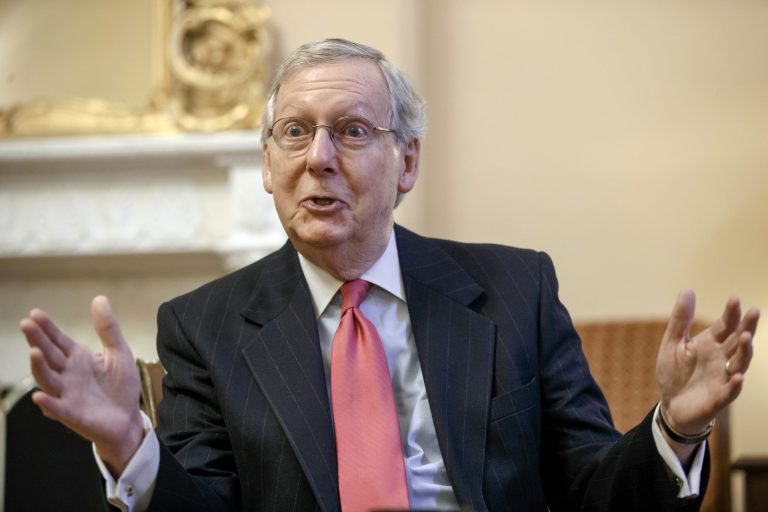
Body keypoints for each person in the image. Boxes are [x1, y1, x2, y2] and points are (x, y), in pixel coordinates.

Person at [20, 39, 758, 512]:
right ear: (269, 167)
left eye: (352, 130)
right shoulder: (204, 327)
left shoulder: (515, 292)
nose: (319, 158)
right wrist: (129, 446)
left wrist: (676, 428)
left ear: (407, 163)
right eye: (295, 132)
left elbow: (594, 491)